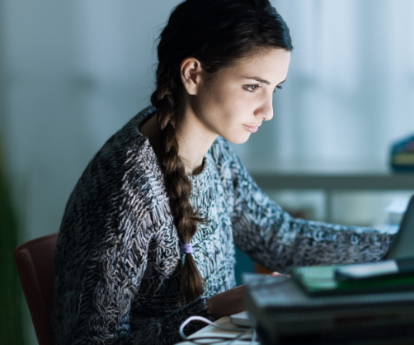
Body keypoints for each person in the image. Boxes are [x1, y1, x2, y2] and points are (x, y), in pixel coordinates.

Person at [52, 0, 393, 344]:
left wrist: (397, 247)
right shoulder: (127, 189)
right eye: (252, 87)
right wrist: (214, 309)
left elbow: (278, 236)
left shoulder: (210, 148)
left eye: (274, 88)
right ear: (193, 75)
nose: (268, 110)